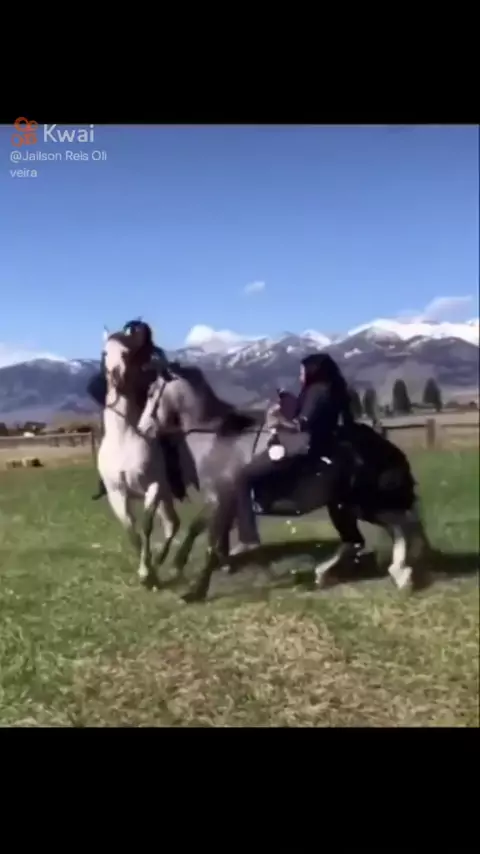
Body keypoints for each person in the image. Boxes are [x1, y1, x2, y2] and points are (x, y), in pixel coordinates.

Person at [231, 352, 365, 551]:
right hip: (321, 445)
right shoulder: (330, 389)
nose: (300, 376)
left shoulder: (317, 392)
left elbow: (301, 425)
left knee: (242, 476)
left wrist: (277, 420)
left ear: (313, 372)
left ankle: (248, 539)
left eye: (302, 372)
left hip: (301, 447)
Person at [87, 319, 183, 501]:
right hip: (124, 407)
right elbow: (103, 379)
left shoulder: (155, 353)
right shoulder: (122, 354)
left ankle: (174, 479)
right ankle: (105, 480)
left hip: (150, 405)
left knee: (167, 441)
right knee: (108, 439)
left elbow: (165, 375)